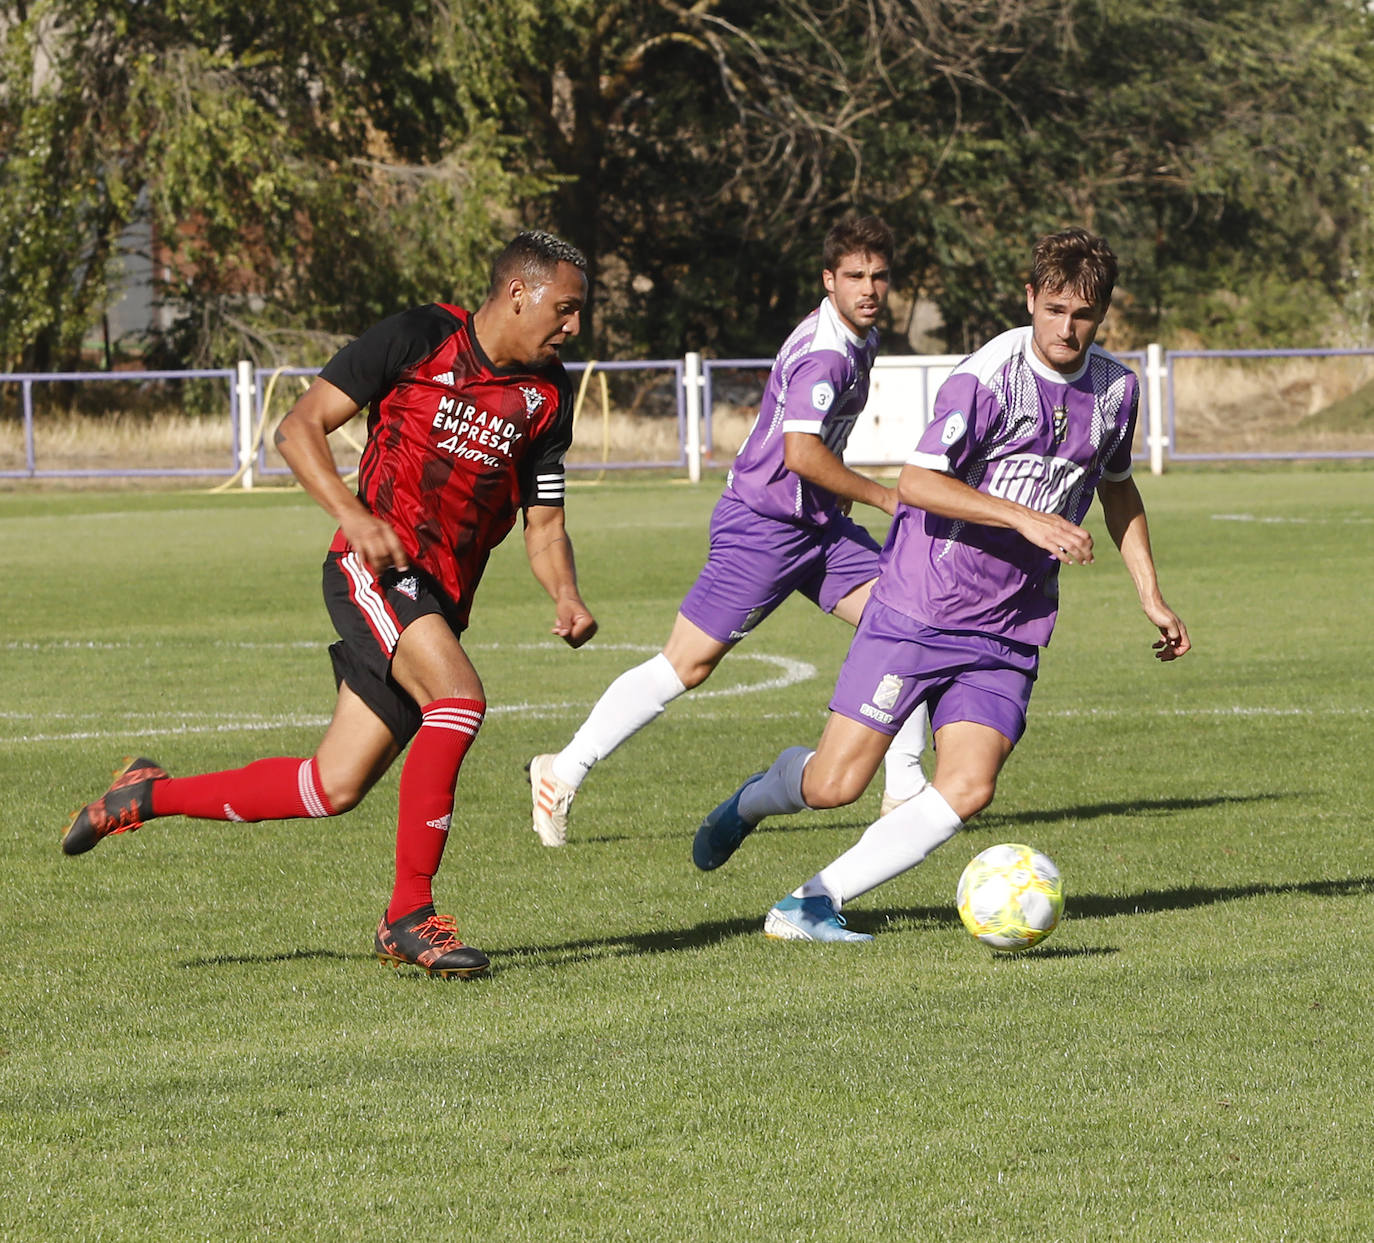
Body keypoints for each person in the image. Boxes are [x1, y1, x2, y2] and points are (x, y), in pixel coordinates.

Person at [61, 230, 598, 978]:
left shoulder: (548, 395)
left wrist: (566, 593)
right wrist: (353, 515)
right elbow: (298, 426)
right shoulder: (419, 337)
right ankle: (410, 915)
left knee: (330, 785)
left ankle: (144, 794)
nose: (574, 327)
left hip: (436, 596)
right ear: (518, 293)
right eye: (566, 309)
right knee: (460, 700)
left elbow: (545, 522)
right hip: (374, 568)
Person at [693, 226, 1191, 942]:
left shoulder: (1115, 390)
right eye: (1053, 309)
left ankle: (808, 902)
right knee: (836, 786)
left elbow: (1118, 487)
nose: (1066, 328)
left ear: (1103, 312)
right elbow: (918, 481)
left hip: (1010, 624)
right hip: (919, 605)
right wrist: (1027, 519)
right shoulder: (989, 376)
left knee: (969, 785)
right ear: (1031, 299)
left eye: (1082, 314)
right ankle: (754, 798)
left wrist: (1149, 590)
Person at [527, 214, 929, 849]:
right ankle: (562, 770)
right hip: (764, 527)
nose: (869, 288)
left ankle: (903, 786)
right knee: (686, 665)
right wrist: (884, 495)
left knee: (905, 619)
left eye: (879, 276)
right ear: (829, 281)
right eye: (854, 276)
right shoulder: (826, 355)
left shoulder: (861, 338)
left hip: (818, 525)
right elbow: (799, 454)